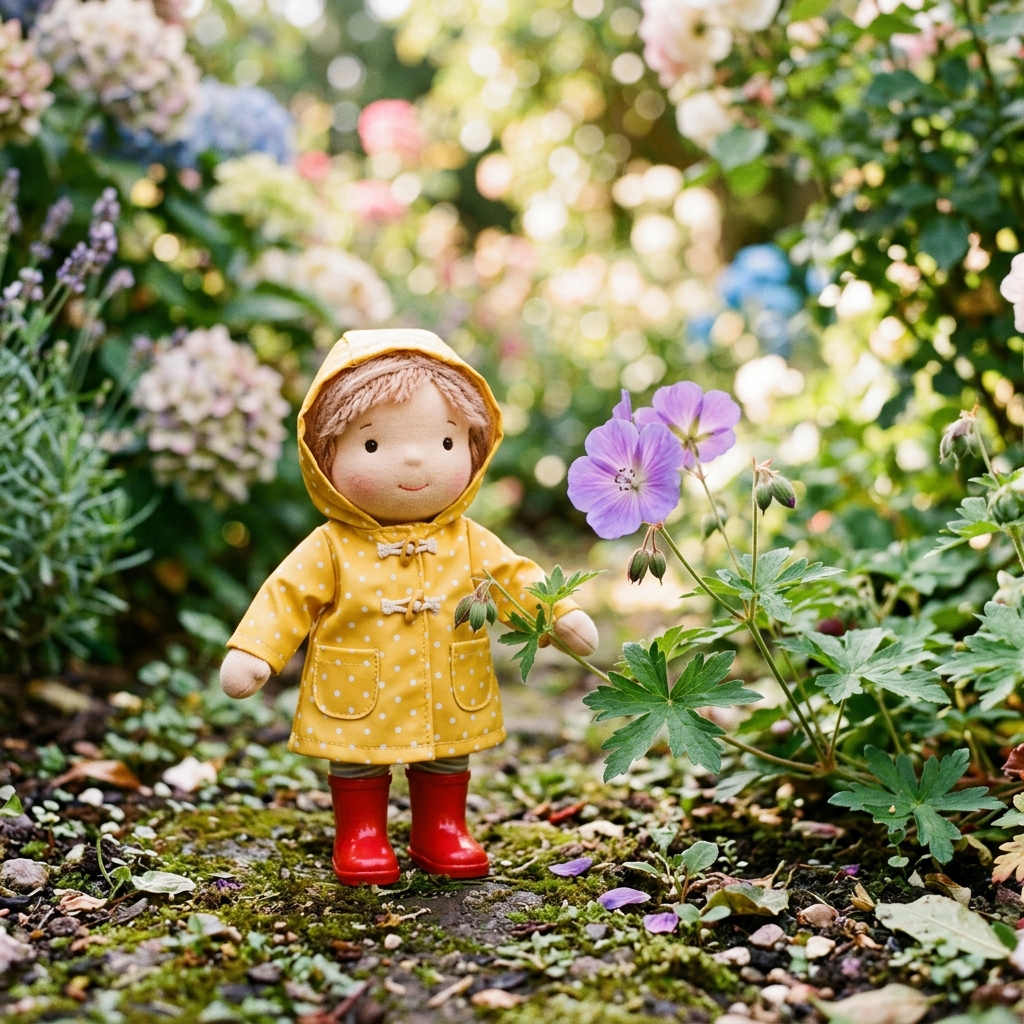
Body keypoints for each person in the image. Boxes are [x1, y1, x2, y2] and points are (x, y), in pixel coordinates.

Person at [220, 328, 598, 885]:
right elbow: (286, 595)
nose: (416, 463)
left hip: (447, 683)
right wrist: (256, 650)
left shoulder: (468, 538)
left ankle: (441, 828)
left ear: (471, 446)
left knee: (447, 753)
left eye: (447, 444)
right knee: (356, 756)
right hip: (359, 687)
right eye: (371, 445)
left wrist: (554, 613)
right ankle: (360, 833)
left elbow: (513, 576)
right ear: (326, 456)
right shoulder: (331, 544)